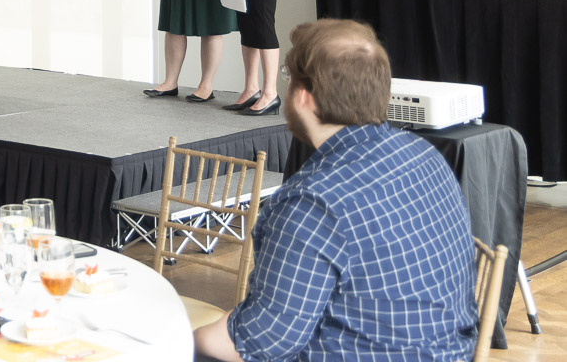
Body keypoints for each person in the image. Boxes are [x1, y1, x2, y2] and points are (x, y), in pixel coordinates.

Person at [193, 19, 479, 362]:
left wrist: (183, 336)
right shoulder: (424, 154)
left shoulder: (311, 203)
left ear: (303, 98)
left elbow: (259, 343)